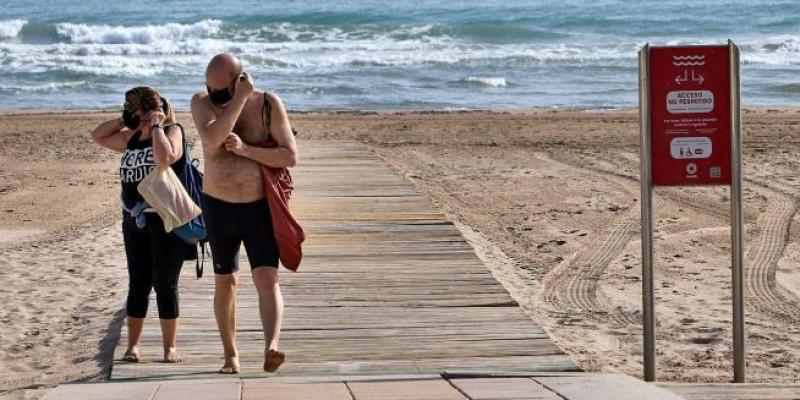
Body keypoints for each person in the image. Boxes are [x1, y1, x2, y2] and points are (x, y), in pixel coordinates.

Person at [190, 53, 298, 374]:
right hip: (219, 206)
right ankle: (230, 356)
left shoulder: (268, 104)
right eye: (211, 89)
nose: (215, 97)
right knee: (226, 282)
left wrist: (247, 150)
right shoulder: (202, 103)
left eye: (221, 92)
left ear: (240, 81)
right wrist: (235, 101)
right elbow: (212, 138)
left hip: (259, 206)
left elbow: (290, 156)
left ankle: (272, 345)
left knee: (267, 276)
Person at [90, 86, 187, 363]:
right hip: (134, 220)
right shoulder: (130, 138)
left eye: (130, 107)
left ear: (148, 109)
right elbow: (97, 136)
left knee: (165, 283)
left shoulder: (172, 131)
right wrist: (124, 121)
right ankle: (133, 347)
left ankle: (170, 348)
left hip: (165, 219)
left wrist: (157, 126)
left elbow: (165, 158)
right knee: (138, 283)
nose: (127, 111)